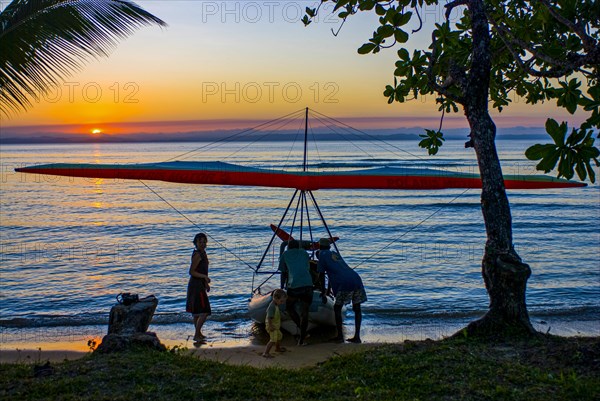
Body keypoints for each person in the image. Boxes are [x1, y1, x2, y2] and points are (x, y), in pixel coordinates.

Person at [317, 238, 367, 343]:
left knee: (337, 308)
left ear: (320, 247)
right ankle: (357, 336)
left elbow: (321, 276)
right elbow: (332, 274)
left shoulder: (321, 255)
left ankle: (340, 336)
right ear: (329, 247)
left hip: (344, 282)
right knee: (357, 307)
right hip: (356, 278)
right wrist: (328, 290)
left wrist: (322, 292)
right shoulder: (335, 254)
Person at [279, 239, 313, 346]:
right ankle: (302, 339)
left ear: (288, 247)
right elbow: (307, 267)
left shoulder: (285, 254)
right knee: (305, 313)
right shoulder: (304, 253)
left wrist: (282, 287)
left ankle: (300, 327)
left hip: (294, 287)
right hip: (308, 285)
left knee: (289, 307)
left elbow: (283, 272)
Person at [186, 233, 211, 343]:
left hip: (199, 284)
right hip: (195, 285)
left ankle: (198, 333)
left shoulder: (203, 253)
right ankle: (196, 334)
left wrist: (206, 283)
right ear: (195, 243)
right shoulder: (197, 255)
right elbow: (191, 272)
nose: (202, 244)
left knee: (196, 312)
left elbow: (203, 270)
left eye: (204, 242)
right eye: (200, 242)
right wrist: (205, 277)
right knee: (204, 311)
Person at [262, 289, 288, 358]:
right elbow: (269, 317)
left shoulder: (276, 305)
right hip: (272, 326)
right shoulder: (272, 306)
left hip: (275, 326)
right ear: (276, 298)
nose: (282, 303)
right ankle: (266, 353)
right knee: (273, 339)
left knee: (279, 336)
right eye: (281, 301)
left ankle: (277, 348)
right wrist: (270, 326)